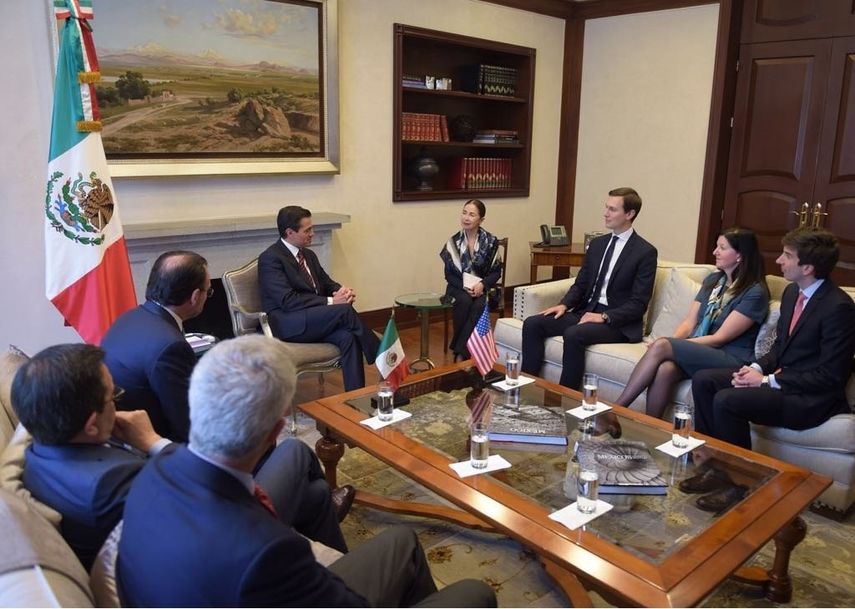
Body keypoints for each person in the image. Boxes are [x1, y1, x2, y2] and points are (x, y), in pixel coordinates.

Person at [116, 335, 496, 607]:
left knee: (400, 541)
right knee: (475, 593)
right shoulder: (270, 551)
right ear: (275, 432)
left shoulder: (150, 474)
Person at [10, 343, 353, 571]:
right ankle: (334, 555)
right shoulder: (111, 485)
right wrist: (154, 441)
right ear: (89, 424)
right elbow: (205, 493)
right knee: (294, 449)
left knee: (314, 495)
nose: (118, 402)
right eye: (112, 396)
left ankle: (327, 529)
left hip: (190, 524)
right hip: (222, 534)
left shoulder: (39, 452)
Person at [692, 227, 855, 449]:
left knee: (726, 400)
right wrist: (756, 368)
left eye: (787, 255)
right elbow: (780, 347)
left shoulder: (838, 308)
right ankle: (705, 456)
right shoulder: (791, 293)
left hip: (809, 398)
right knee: (704, 380)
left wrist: (766, 381)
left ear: (807, 267)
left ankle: (738, 476)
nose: (779, 260)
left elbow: (830, 376)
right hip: (781, 381)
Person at [614, 227, 769, 418]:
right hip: (704, 351)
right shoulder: (713, 280)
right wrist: (673, 343)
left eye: (722, 247)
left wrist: (670, 345)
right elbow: (689, 322)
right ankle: (652, 428)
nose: (715, 252)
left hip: (731, 358)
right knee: (665, 369)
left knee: (663, 344)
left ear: (740, 256)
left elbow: (720, 338)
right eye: (716, 246)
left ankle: (616, 411)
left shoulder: (755, 293)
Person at [521, 187, 658, 389]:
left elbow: (638, 304)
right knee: (533, 323)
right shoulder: (597, 244)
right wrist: (564, 305)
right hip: (586, 312)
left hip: (617, 323)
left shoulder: (645, 252)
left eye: (612, 209)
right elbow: (582, 282)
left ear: (630, 214)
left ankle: (563, 399)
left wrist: (604, 317)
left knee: (574, 334)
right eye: (606, 207)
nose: (605, 213)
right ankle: (525, 388)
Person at [258, 206, 381, 391]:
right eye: (307, 230)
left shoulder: (308, 254)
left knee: (348, 337)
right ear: (289, 232)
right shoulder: (270, 258)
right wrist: (332, 302)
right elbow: (288, 301)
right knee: (344, 311)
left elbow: (326, 283)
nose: (313, 234)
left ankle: (354, 398)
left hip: (314, 319)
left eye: (312, 228)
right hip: (289, 324)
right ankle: (383, 356)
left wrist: (342, 291)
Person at [101, 250, 210, 442]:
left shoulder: (129, 317)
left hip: (117, 431)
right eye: (208, 291)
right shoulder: (170, 346)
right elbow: (187, 425)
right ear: (195, 296)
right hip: (152, 443)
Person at [440, 199, 503, 360]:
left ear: (481, 220)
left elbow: (496, 272)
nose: (466, 218)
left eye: (472, 214)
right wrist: (464, 287)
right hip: (458, 287)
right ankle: (465, 350)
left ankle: (460, 348)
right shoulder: (453, 242)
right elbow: (448, 275)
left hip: (484, 288)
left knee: (480, 304)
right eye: (464, 213)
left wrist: (482, 284)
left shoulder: (490, 242)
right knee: (465, 301)